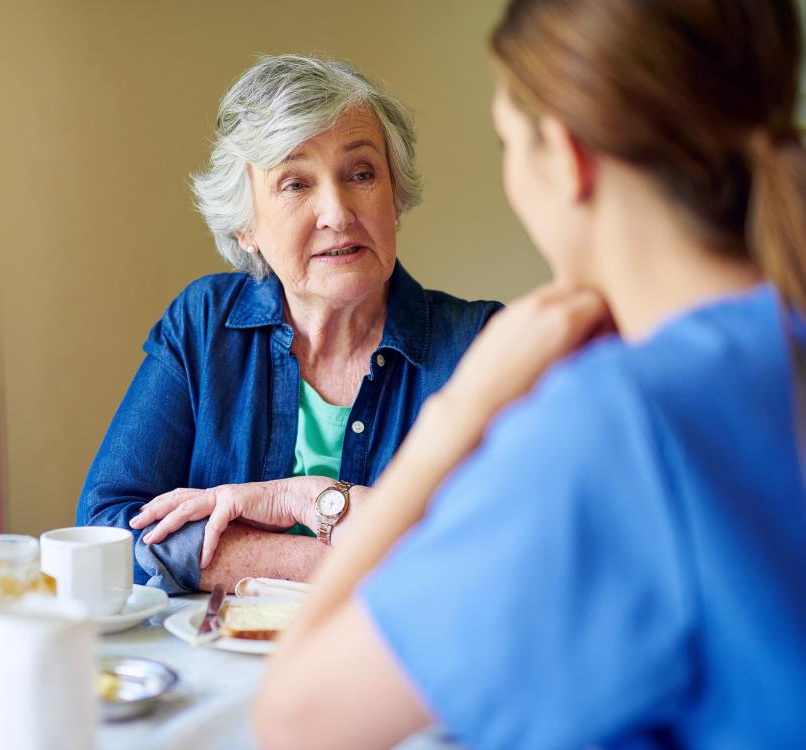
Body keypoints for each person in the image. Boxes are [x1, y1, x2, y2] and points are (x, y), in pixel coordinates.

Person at [255, 1, 806, 748]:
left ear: (567, 154)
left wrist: (463, 410)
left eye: (509, 142)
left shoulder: (611, 424)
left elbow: (295, 720)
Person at [76, 55, 501, 595]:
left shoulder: (482, 347)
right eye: (296, 183)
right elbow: (105, 529)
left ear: (395, 195)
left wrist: (310, 502)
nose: (338, 213)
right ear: (245, 228)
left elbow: (499, 557)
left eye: (361, 173)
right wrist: (323, 540)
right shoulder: (205, 325)